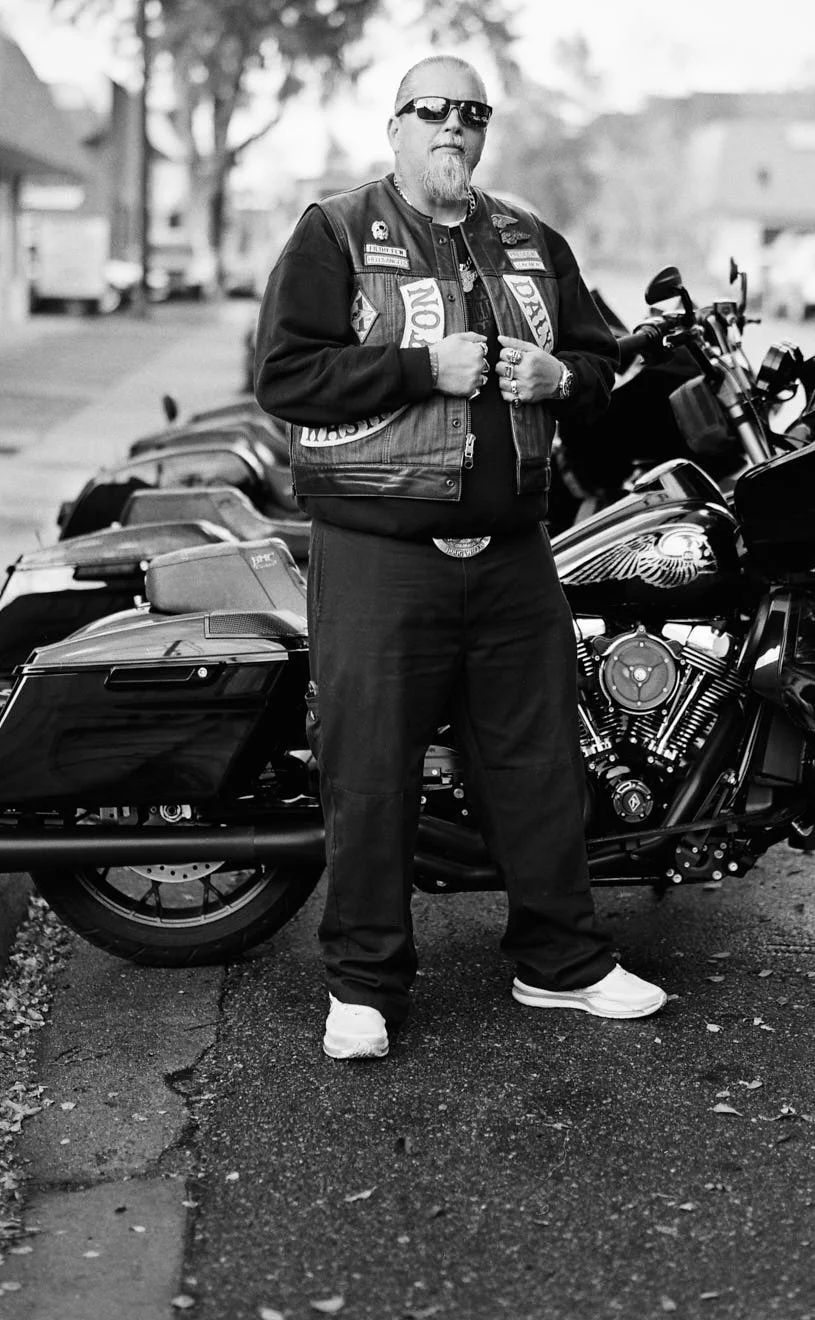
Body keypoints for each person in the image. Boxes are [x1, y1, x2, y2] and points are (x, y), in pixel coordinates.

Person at [253, 54, 666, 1059]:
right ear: (395, 126)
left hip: (513, 551)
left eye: (471, 113)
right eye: (431, 109)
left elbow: (606, 363)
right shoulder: (335, 231)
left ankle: (559, 962)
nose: (452, 126)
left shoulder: (530, 241)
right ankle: (362, 987)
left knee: (538, 763)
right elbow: (285, 373)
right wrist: (416, 368)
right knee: (369, 772)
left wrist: (561, 376)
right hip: (378, 551)